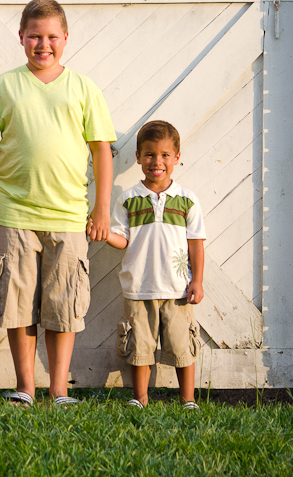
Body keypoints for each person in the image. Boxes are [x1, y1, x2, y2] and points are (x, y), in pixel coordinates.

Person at [0, 0, 116, 407]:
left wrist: (101, 208)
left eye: (52, 37)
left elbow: (101, 151)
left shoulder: (83, 88)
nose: (43, 45)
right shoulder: (4, 86)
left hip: (69, 215)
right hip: (15, 212)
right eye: (34, 36)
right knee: (18, 304)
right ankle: (26, 386)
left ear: (66, 39)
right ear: (21, 37)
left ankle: (59, 390)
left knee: (64, 304)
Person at [105, 120, 206, 410]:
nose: (156, 162)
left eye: (164, 155)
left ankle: (188, 399)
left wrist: (197, 281)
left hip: (178, 290)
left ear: (177, 158)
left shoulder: (187, 201)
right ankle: (140, 398)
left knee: (181, 347)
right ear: (138, 157)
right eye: (149, 154)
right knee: (140, 348)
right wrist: (102, 233)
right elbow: (122, 240)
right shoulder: (128, 200)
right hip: (139, 288)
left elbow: (196, 244)